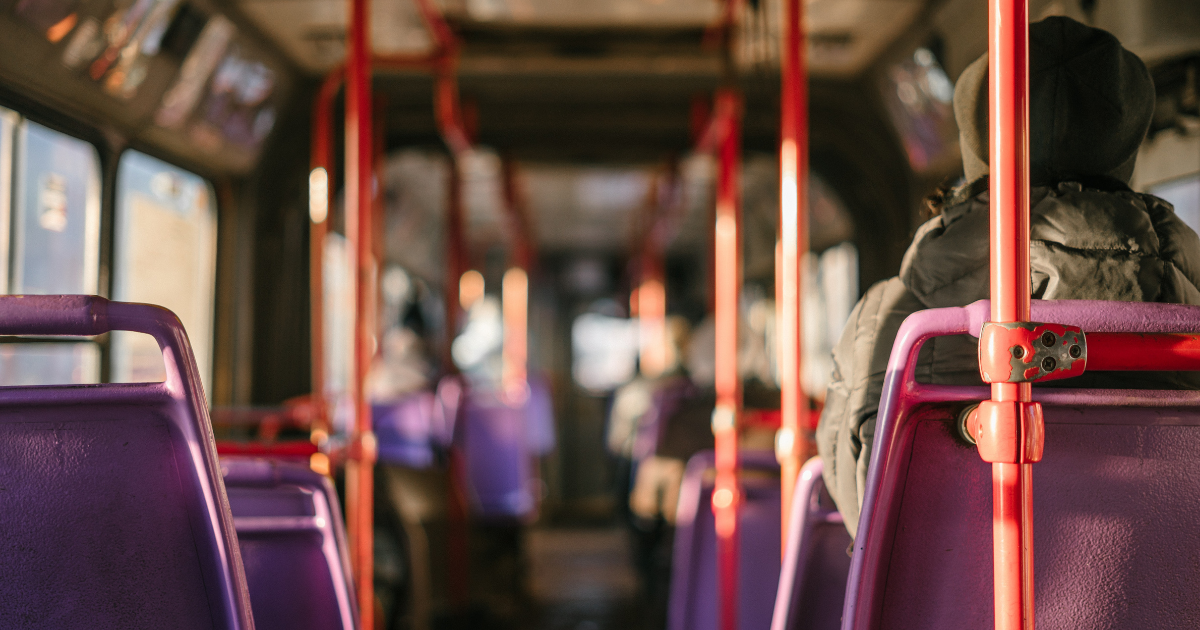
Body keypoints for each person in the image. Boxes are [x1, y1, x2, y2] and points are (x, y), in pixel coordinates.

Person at [817, 16, 1200, 539]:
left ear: (978, 142)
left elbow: (864, 509)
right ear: (1125, 145)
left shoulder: (894, 319)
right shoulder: (1188, 291)